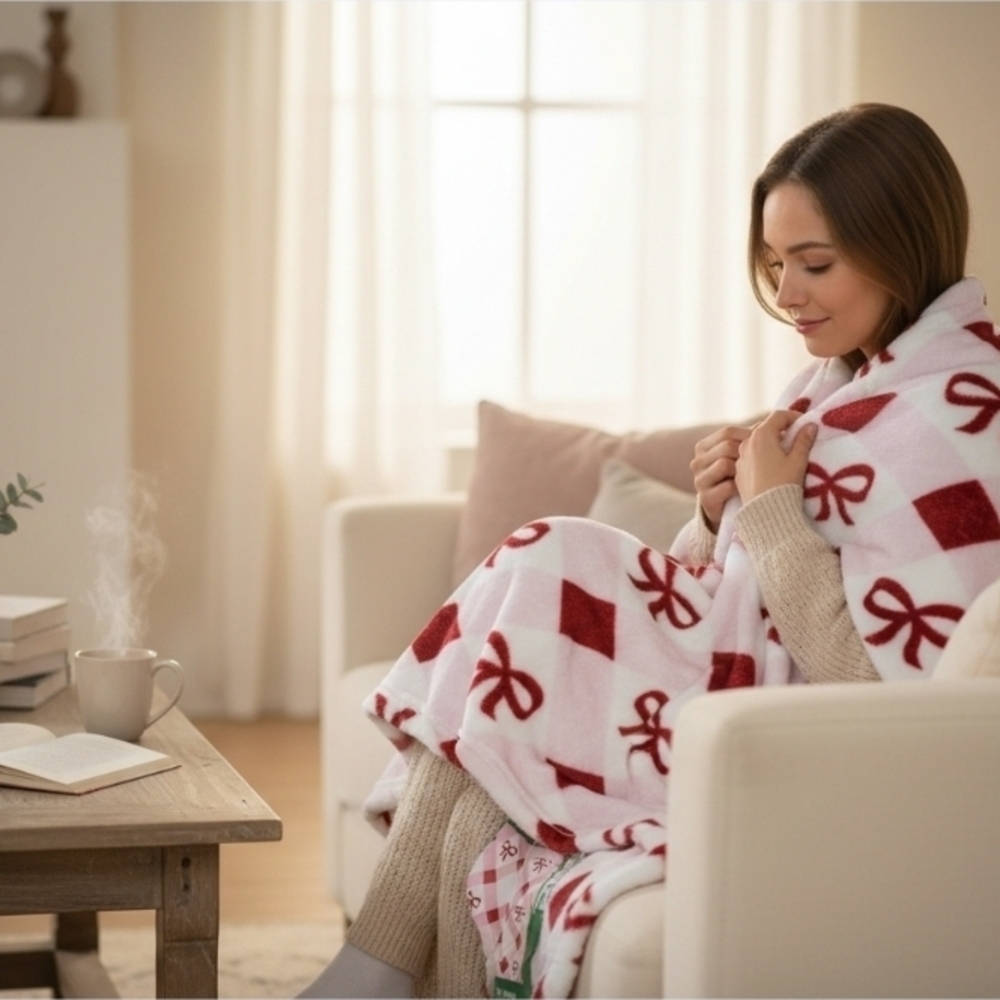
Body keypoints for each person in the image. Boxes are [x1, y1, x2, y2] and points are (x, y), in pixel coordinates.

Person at [300, 103, 1000, 999]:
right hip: (729, 695)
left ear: (902, 242)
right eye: (776, 264)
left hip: (784, 748)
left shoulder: (960, 423)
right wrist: (717, 515)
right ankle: (377, 972)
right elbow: (735, 587)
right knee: (500, 714)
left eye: (814, 264)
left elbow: (876, 696)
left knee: (542, 578)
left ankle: (370, 973)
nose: (786, 293)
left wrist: (774, 505)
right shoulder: (844, 384)